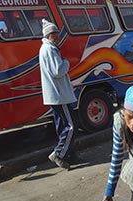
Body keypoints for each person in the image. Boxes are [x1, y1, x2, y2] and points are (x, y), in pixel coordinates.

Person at [39, 19, 79, 170]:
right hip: (59, 95)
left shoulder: (47, 48)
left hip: (55, 95)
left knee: (62, 126)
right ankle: (59, 154)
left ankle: (69, 154)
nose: (57, 35)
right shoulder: (50, 49)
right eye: (54, 33)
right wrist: (66, 62)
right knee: (71, 126)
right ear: (49, 35)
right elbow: (58, 71)